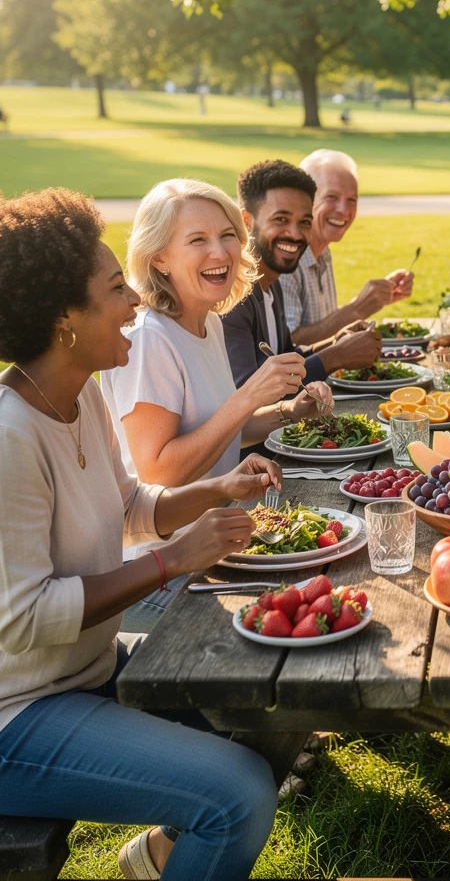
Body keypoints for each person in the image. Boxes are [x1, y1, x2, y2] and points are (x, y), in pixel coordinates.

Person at [0, 188, 281, 880]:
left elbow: (128, 505)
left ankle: (153, 861)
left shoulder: (80, 389)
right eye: (114, 288)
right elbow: (24, 616)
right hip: (19, 712)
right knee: (237, 795)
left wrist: (216, 489)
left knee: (268, 703)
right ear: (64, 317)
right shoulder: (10, 438)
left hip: (85, 668)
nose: (133, 301)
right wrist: (173, 562)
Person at [100, 179, 333, 630]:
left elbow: (218, 429)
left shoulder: (204, 322)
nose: (220, 253)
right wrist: (248, 396)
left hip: (220, 546)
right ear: (159, 257)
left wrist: (288, 411)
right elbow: (159, 471)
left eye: (227, 236)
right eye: (198, 240)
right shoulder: (148, 339)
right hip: (161, 572)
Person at [222, 159, 382, 392]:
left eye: (304, 222)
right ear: (246, 221)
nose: (295, 234)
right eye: (281, 220)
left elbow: (285, 356)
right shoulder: (233, 296)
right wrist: (335, 356)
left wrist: (335, 342)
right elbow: (250, 393)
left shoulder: (270, 282)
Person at [277, 149, 414, 346]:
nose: (344, 210)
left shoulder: (322, 251)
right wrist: (357, 308)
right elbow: (289, 343)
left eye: (352, 200)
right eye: (331, 197)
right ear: (305, 200)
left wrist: (373, 300)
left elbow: (322, 325)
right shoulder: (287, 259)